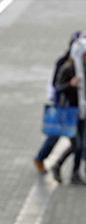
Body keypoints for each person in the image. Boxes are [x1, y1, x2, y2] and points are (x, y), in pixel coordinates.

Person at [34, 31, 83, 173]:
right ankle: (41, 158)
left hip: (77, 106)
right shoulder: (65, 62)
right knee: (56, 134)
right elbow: (57, 85)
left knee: (78, 141)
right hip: (64, 105)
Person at [51, 43, 86, 185]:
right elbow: (58, 88)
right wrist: (71, 84)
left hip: (83, 111)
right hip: (71, 112)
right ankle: (57, 164)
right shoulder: (68, 69)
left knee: (82, 145)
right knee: (76, 144)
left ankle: (75, 172)